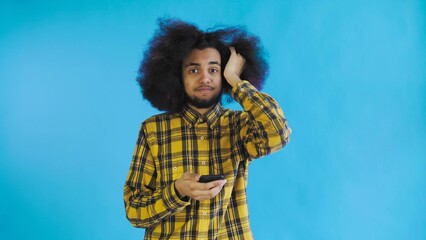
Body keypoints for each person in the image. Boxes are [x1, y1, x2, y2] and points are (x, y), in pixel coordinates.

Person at [124, 17, 291, 239]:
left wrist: (236, 82)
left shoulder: (239, 126)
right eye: (194, 70)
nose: (205, 78)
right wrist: (177, 191)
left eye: (214, 70)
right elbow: (135, 211)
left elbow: (278, 133)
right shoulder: (153, 130)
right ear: (177, 77)